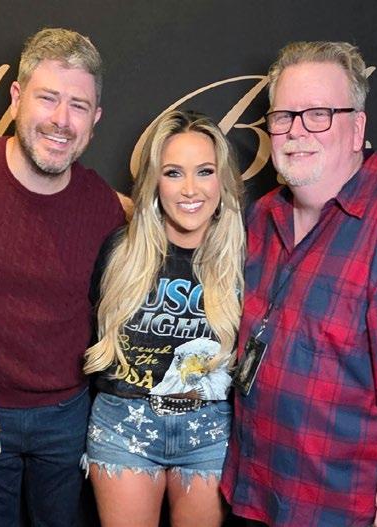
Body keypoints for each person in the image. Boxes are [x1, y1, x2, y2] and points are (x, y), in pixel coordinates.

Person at [220, 41, 377, 527]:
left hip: (340, 505)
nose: (297, 131)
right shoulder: (263, 215)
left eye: (318, 114)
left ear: (357, 128)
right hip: (252, 487)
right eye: (284, 116)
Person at [0, 28, 125, 526]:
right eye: (48, 98)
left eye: (78, 105)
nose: (62, 120)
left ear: (95, 119)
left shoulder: (103, 206)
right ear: (16, 98)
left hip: (67, 414)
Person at [82, 109, 246, 527]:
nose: (190, 189)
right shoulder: (119, 250)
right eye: (174, 173)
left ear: (222, 181)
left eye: (205, 171)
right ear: (155, 182)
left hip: (210, 430)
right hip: (125, 424)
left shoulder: (245, 257)